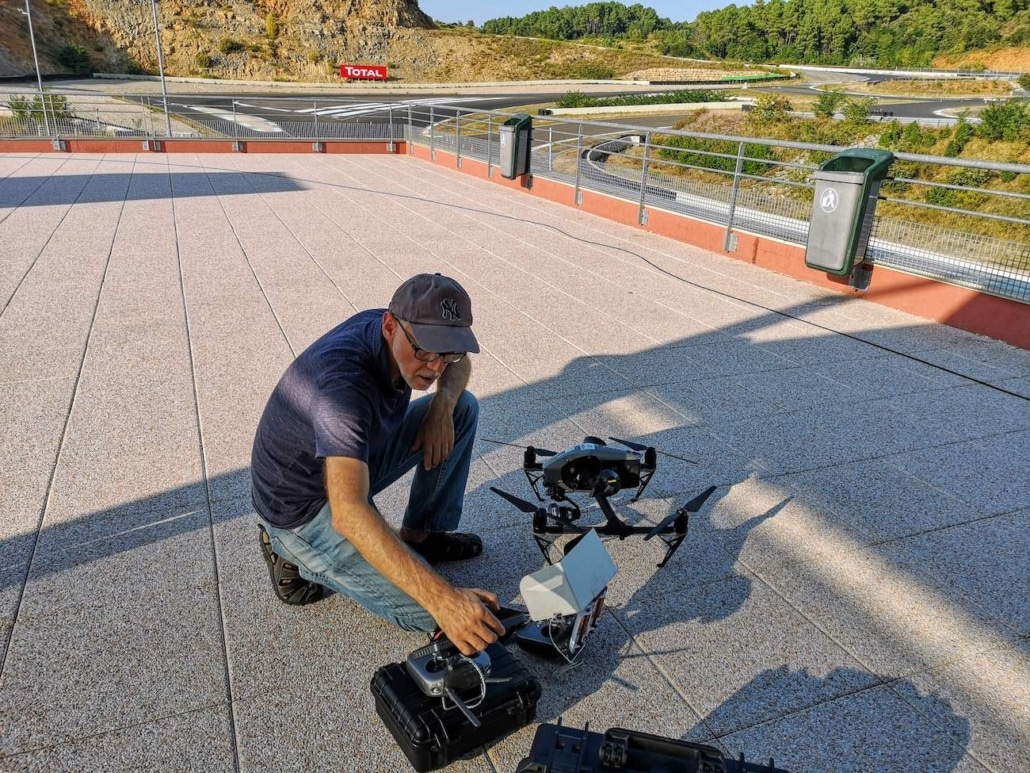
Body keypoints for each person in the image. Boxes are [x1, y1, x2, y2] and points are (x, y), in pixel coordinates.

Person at [250, 273, 504, 655]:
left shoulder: (401, 329)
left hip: (354, 455)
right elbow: (349, 512)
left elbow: (458, 364)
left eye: (446, 352)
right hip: (302, 507)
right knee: (438, 614)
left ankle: (423, 534)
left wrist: (442, 404)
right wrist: (444, 599)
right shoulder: (343, 390)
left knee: (462, 409)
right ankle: (289, 552)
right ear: (389, 327)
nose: (436, 367)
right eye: (425, 352)